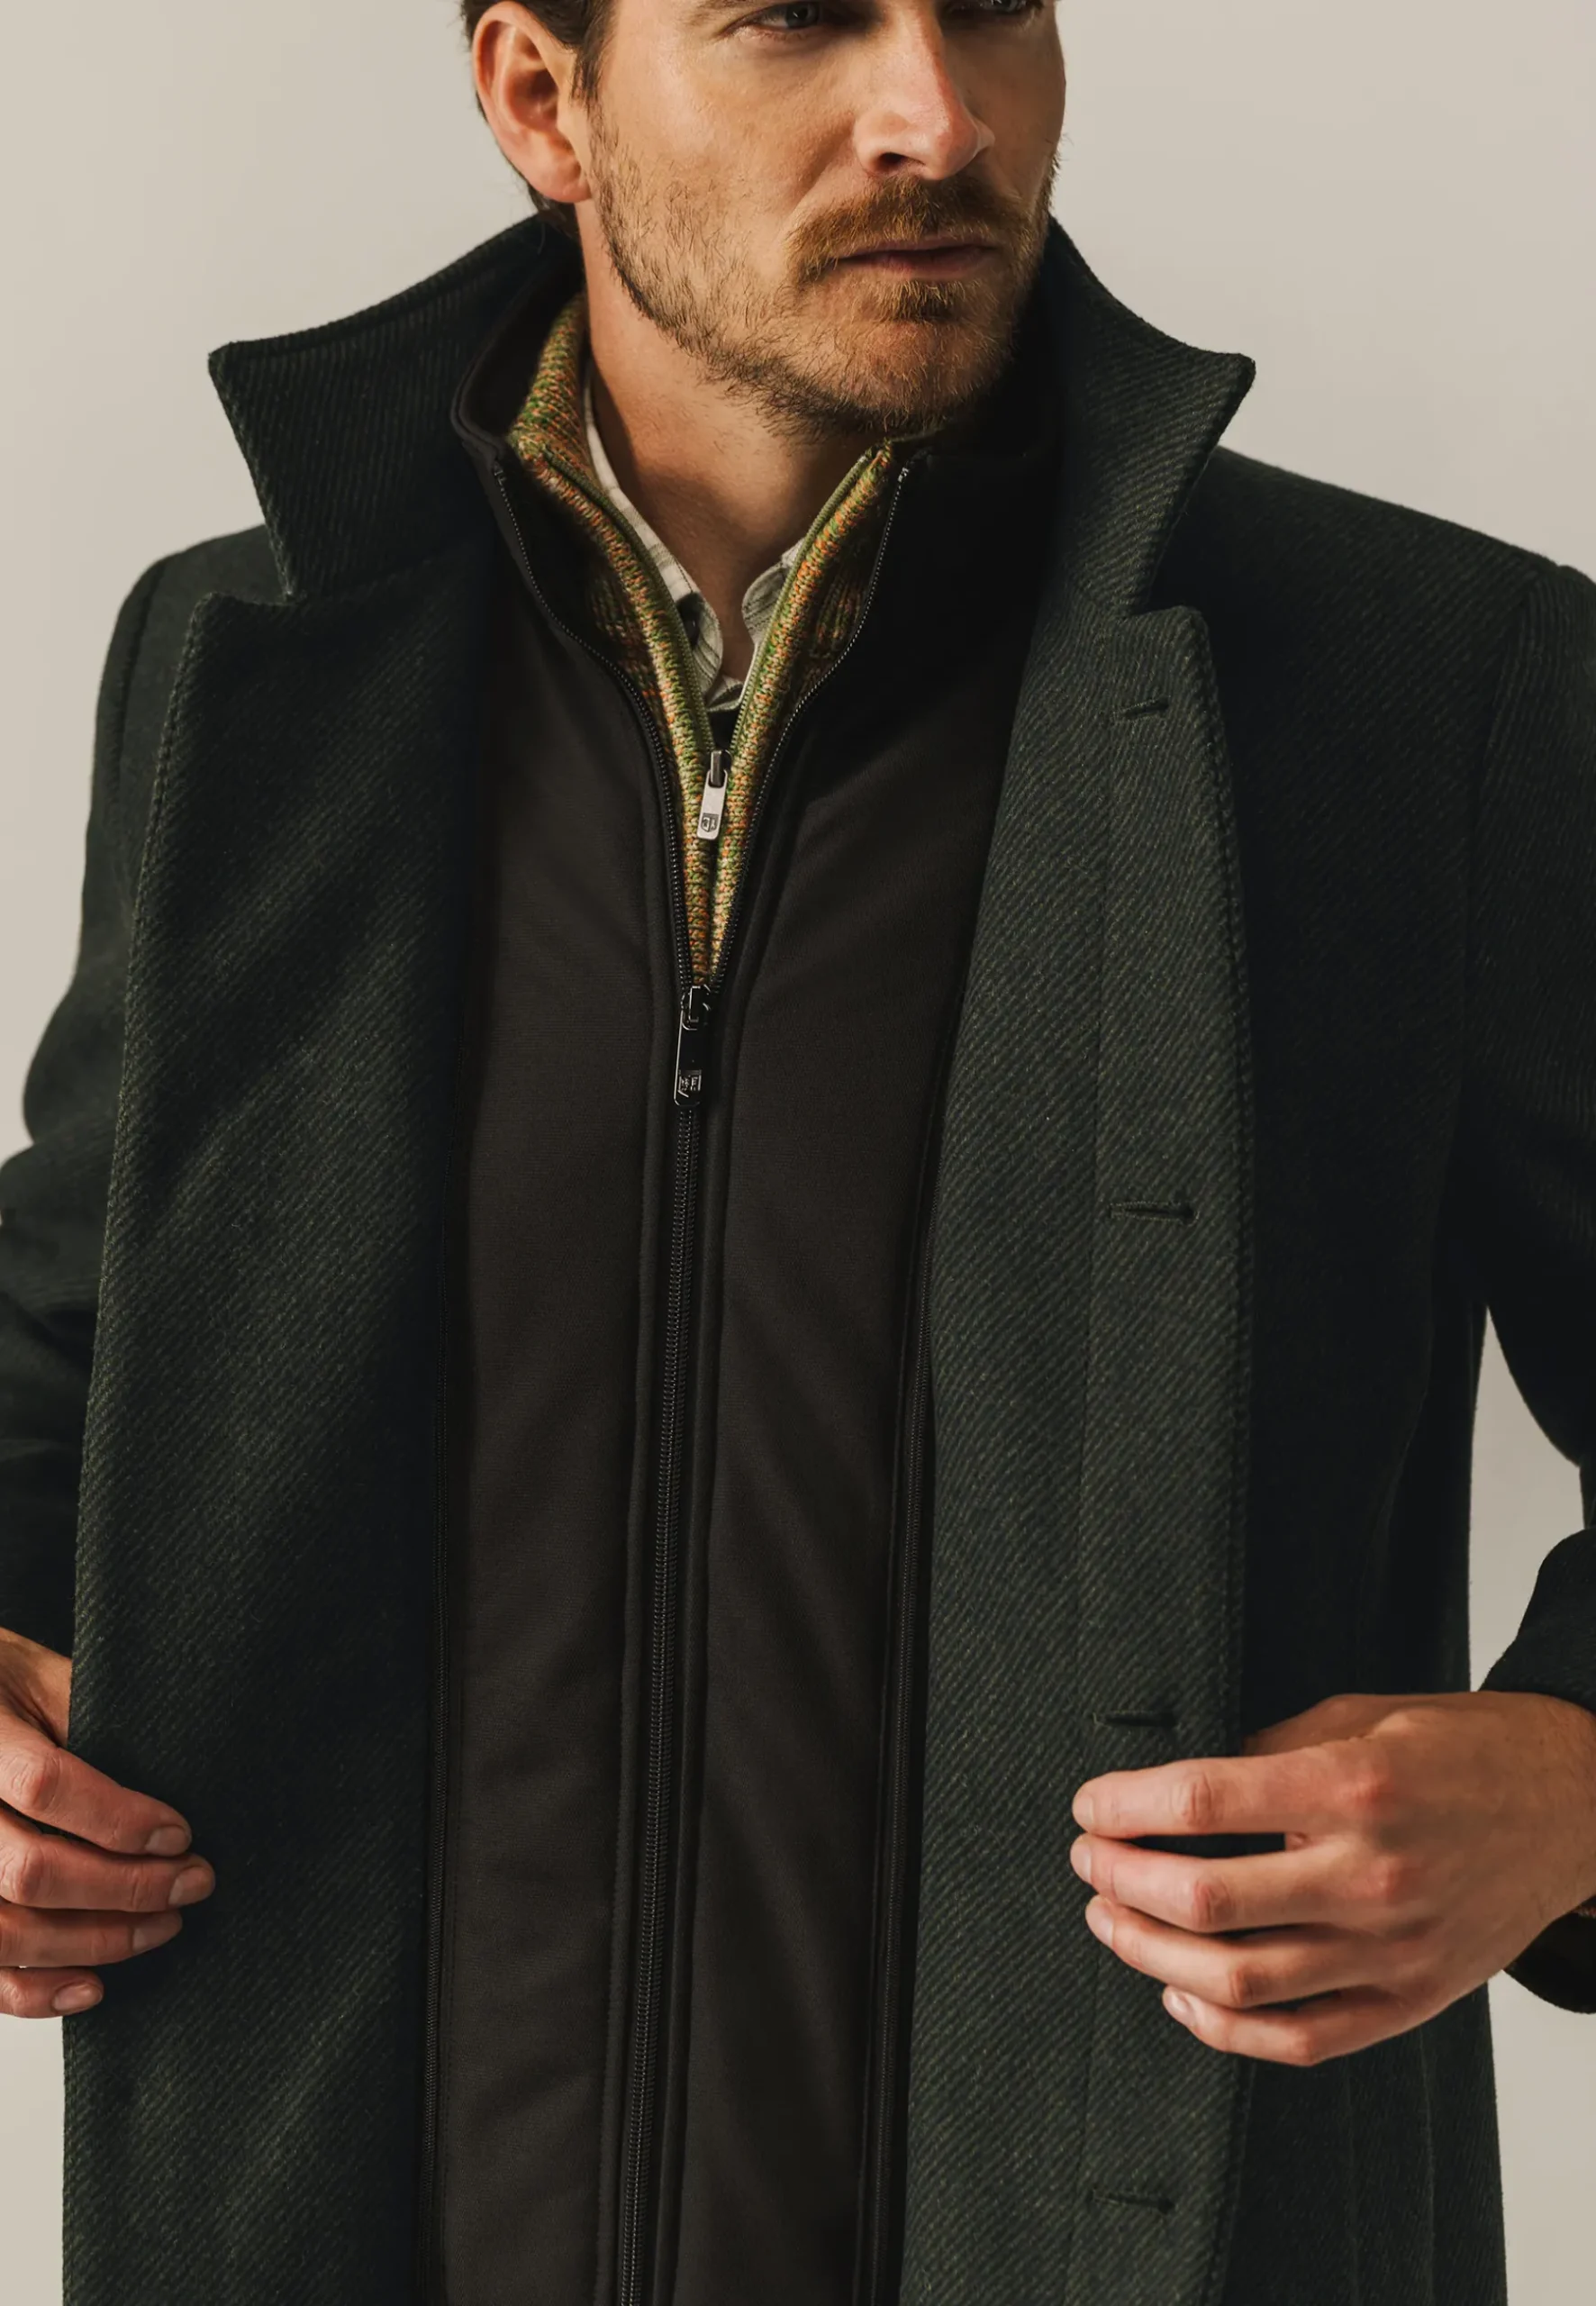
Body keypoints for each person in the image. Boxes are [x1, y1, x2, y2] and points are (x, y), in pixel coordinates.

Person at [0, 0, 1591, 2299]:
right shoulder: (244, 661)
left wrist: (1570, 1779)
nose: (935, 112)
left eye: (994, 9)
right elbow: (74, 1347)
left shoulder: (1429, 686)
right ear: (541, 97)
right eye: (795, 19)